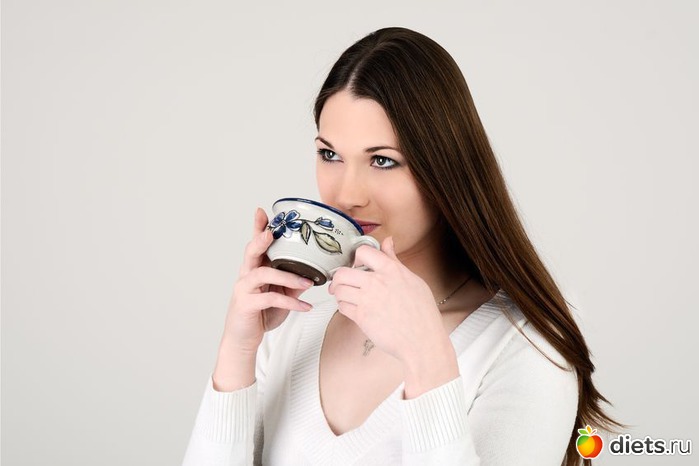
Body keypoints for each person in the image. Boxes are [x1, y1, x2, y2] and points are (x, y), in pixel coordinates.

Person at [183, 27, 619, 466]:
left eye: (383, 160)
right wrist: (236, 353)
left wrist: (428, 361)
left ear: (446, 168)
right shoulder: (291, 327)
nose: (347, 195)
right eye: (330, 155)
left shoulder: (525, 345)